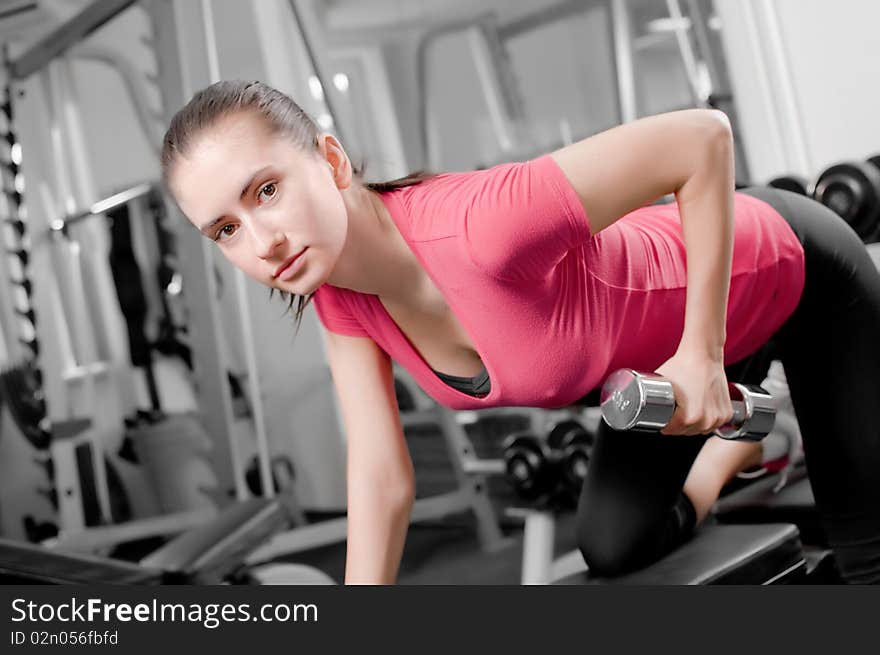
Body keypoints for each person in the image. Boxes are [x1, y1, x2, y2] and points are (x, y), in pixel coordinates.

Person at [161, 80, 880, 585]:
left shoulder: (481, 226)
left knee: (866, 564)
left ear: (331, 160)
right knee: (613, 545)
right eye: (225, 228)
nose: (261, 239)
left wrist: (702, 352)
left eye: (266, 190)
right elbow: (380, 476)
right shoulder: (341, 302)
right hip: (669, 354)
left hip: (796, 270)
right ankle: (745, 445)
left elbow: (703, 137)